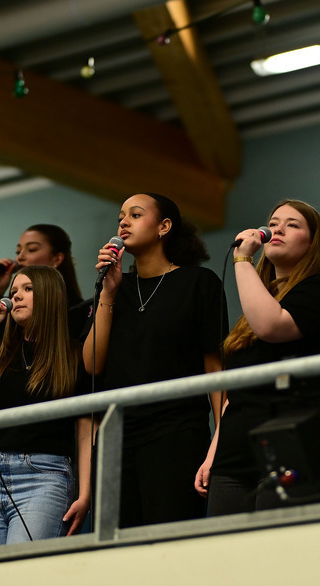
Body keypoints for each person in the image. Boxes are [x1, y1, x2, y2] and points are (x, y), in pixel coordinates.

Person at [195, 200, 320, 515]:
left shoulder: (319, 289)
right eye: (275, 222)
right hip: (235, 452)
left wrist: (242, 258)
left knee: (282, 553)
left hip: (296, 446)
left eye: (292, 224)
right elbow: (232, 395)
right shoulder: (255, 302)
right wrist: (213, 454)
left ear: (312, 241)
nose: (277, 228)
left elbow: (272, 325)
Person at [85, 193, 227, 527]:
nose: (123, 222)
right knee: (117, 550)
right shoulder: (114, 287)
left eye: (135, 214)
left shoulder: (198, 282)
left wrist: (221, 438)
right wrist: (107, 292)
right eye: (121, 216)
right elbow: (92, 364)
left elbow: (215, 369)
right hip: (116, 435)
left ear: (164, 227)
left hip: (175, 432)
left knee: (169, 538)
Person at [0, 266, 91, 548]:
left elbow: (86, 428)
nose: (17, 297)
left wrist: (84, 492)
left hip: (44, 475)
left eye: (28, 289)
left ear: (54, 297)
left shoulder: (73, 354)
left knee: (23, 575)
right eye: (13, 291)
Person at [0, 224, 89, 338]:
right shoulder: (16, 310)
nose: (19, 258)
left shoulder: (77, 312)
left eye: (31, 250)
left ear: (57, 259)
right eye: (18, 252)